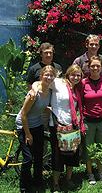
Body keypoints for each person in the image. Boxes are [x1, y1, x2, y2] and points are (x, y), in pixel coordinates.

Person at [16, 65, 57, 193]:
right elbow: (24, 114)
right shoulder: (34, 94)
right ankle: (24, 186)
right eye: (46, 75)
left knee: (39, 156)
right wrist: (27, 134)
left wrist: (49, 109)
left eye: (51, 75)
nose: (49, 77)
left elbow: (40, 107)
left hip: (38, 124)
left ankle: (38, 181)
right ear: (41, 76)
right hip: (24, 125)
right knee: (28, 158)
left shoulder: (49, 92)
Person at [49, 65, 85, 192]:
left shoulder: (76, 89)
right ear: (68, 74)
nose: (76, 77)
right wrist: (35, 88)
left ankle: (68, 180)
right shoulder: (58, 83)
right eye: (73, 75)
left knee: (72, 154)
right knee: (58, 156)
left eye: (78, 75)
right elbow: (43, 82)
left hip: (73, 126)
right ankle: (55, 183)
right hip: (58, 125)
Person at [81, 55, 102, 185]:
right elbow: (80, 104)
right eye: (93, 66)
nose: (95, 68)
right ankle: (90, 173)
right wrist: (81, 124)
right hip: (88, 121)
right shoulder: (83, 83)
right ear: (88, 67)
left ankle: (100, 173)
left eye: (98, 66)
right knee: (88, 149)